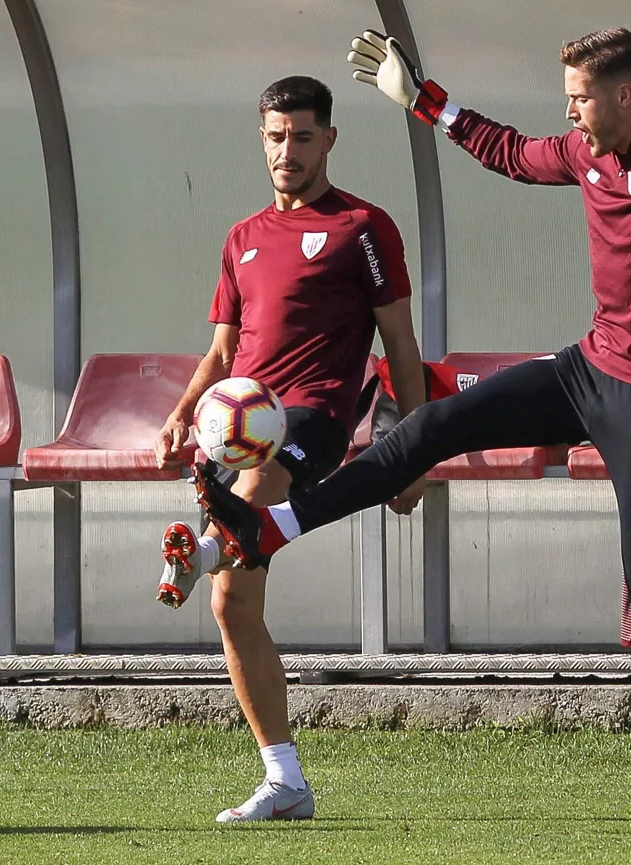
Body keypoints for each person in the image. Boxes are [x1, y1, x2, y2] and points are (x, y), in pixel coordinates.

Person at [194, 29, 631, 832]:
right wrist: (422, 99)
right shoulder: (588, 154)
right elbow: (508, 150)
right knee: (436, 422)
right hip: (587, 367)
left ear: (624, 95)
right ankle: (271, 527)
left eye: (580, 96)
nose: (570, 112)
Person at [153, 76, 426, 822]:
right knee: (232, 605)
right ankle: (286, 781)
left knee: (252, 499)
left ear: (329, 140)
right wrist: (181, 412)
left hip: (310, 420)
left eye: (302, 136)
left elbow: (400, 343)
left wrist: (412, 449)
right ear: (262, 138)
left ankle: (204, 549)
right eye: (276, 135)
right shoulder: (242, 237)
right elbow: (222, 353)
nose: (287, 150)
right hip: (230, 426)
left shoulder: (363, 228)